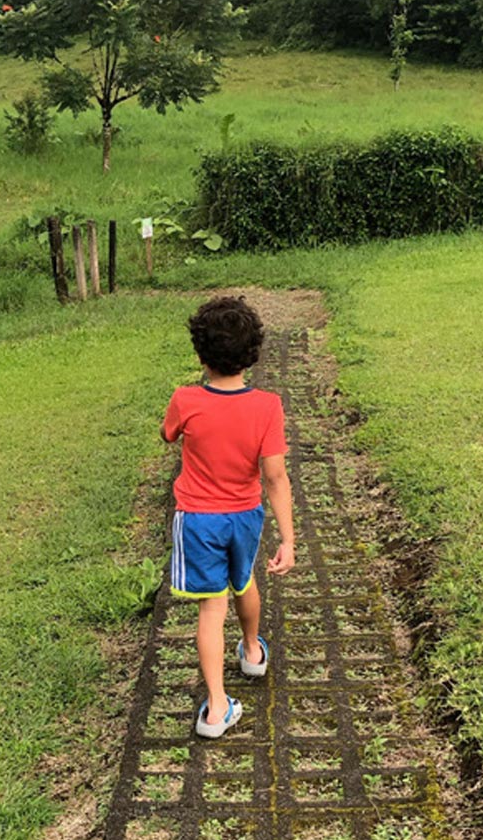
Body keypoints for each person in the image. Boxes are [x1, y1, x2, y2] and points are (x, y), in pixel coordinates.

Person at [161, 296, 296, 738]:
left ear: (200, 354)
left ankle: (217, 708)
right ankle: (253, 652)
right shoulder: (269, 406)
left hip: (199, 519)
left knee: (210, 607)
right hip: (245, 517)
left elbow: (168, 435)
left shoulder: (185, 399)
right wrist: (289, 540)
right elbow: (275, 476)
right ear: (252, 354)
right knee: (245, 581)